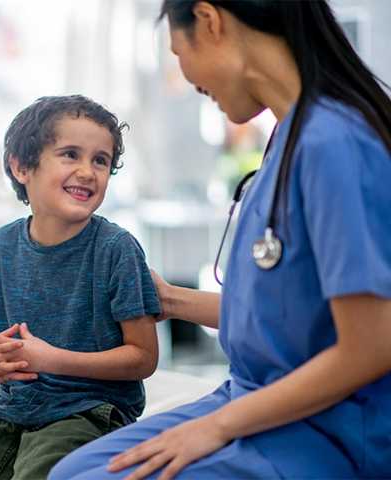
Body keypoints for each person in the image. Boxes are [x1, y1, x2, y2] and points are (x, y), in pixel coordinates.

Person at [49, 1, 391, 479]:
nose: (186, 77)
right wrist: (165, 298)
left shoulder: (333, 143)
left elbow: (372, 346)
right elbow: (286, 316)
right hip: (253, 398)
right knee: (70, 472)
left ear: (209, 22)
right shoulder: (285, 141)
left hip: (326, 427)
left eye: (178, 52)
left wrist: (217, 427)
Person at [0, 95, 161, 480]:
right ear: (22, 166)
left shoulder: (116, 249)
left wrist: (50, 359)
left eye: (101, 160)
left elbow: (143, 358)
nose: (87, 171)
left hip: (90, 411)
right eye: (70, 154)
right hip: (12, 408)